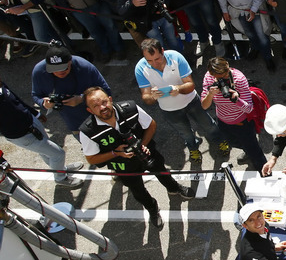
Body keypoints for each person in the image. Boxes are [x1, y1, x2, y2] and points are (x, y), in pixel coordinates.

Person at [78, 87, 195, 229]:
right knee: (137, 190)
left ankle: (174, 188)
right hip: (123, 165)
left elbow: (151, 125)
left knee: (161, 170)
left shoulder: (130, 108)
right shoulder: (87, 131)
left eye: (104, 102)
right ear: (89, 110)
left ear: (110, 100)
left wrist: (142, 145)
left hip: (146, 153)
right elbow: (91, 159)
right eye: (95, 106)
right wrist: (116, 153)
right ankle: (152, 208)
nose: (102, 108)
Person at [135, 39, 228, 162]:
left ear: (162, 51)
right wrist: (153, 96)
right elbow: (146, 97)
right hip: (169, 110)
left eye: (157, 59)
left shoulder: (176, 57)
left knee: (208, 125)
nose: (154, 64)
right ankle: (193, 148)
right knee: (186, 134)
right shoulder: (140, 68)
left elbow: (190, 85)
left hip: (191, 102)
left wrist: (177, 89)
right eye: (149, 61)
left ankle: (220, 141)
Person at [1, 76, 82, 188]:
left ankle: (61, 169)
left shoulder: (1, 85)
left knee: (47, 151)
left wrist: (35, 113)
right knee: (58, 153)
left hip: (31, 121)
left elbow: (16, 100)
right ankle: (61, 178)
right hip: (22, 135)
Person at [200, 57, 266, 170]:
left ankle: (264, 171)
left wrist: (237, 100)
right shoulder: (209, 77)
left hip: (242, 123)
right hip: (222, 121)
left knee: (255, 151)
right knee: (233, 142)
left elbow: (249, 108)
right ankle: (248, 151)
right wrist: (210, 94)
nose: (220, 80)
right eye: (216, 78)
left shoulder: (239, 79)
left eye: (224, 77)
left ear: (228, 69)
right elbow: (204, 106)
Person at [31, 45, 111, 134]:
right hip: (75, 123)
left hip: (100, 114)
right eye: (55, 69)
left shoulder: (84, 66)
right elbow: (36, 95)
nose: (59, 72)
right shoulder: (39, 72)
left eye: (64, 68)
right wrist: (44, 104)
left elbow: (106, 90)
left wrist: (82, 98)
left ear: (70, 62)